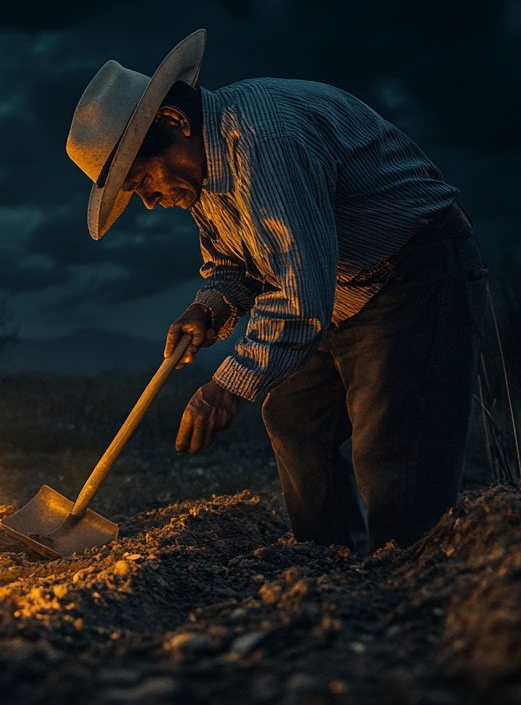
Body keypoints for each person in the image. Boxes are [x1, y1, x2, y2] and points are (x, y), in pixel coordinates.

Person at [66, 29, 488, 553]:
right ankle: (328, 569)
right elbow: (233, 262)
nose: (150, 201)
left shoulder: (266, 141)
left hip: (413, 272)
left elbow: (297, 291)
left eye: (142, 180)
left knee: (393, 454)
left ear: (173, 123)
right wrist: (209, 305)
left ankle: (408, 582)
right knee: (294, 417)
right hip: (332, 288)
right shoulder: (203, 173)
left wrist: (226, 386)